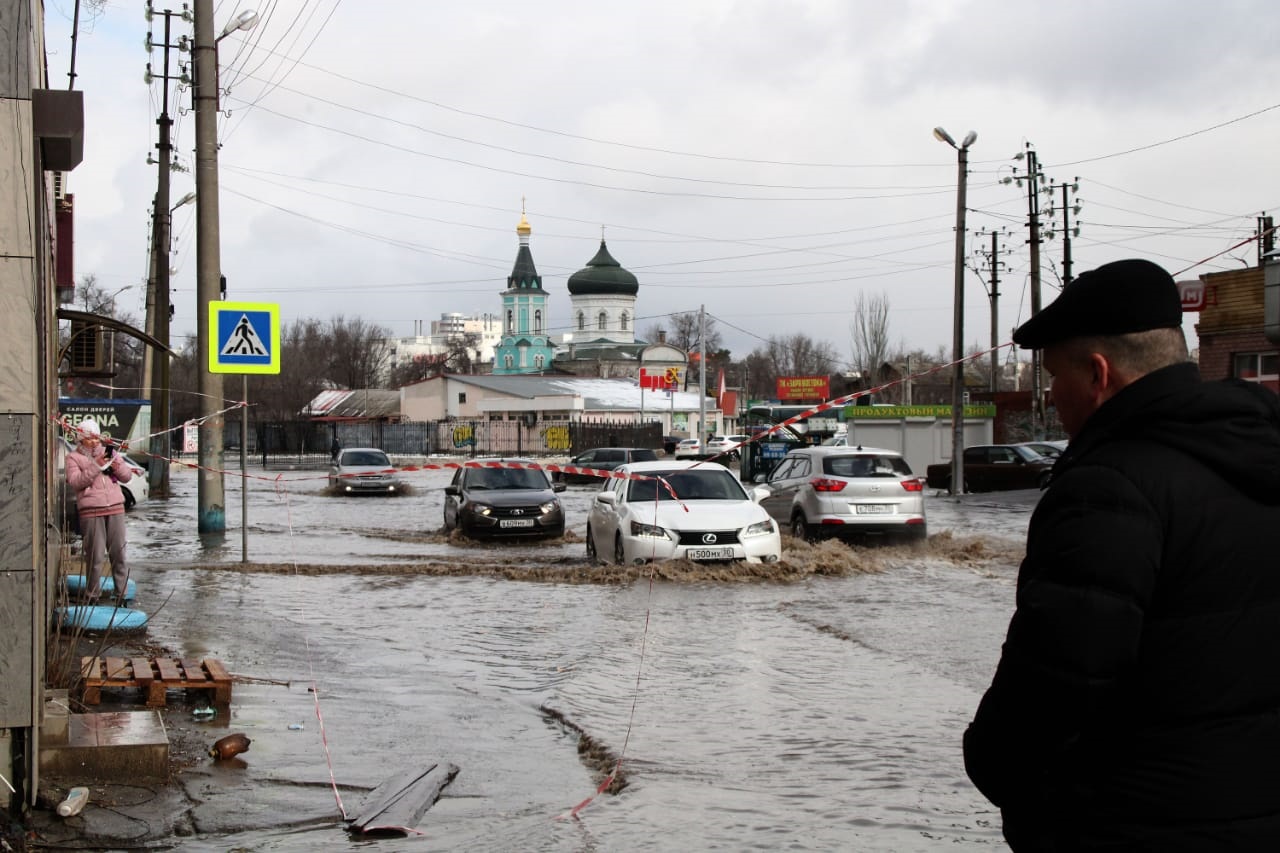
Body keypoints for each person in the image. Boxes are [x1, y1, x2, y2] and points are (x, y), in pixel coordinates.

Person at [963, 258, 1280, 849]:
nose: (1053, 398)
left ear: (1098, 373)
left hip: (1132, 821)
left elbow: (1057, 680)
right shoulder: (1259, 455)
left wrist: (991, 763)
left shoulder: (1110, 488)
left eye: (1056, 377)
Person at [65, 418, 134, 604]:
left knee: (119, 554)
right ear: (81, 439)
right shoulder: (73, 458)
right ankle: (92, 596)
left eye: (97, 438)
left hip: (115, 508)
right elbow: (76, 481)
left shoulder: (110, 453)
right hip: (91, 511)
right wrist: (96, 465)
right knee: (95, 556)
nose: (95, 442)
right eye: (90, 438)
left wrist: (116, 465)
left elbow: (127, 477)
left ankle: (122, 595)